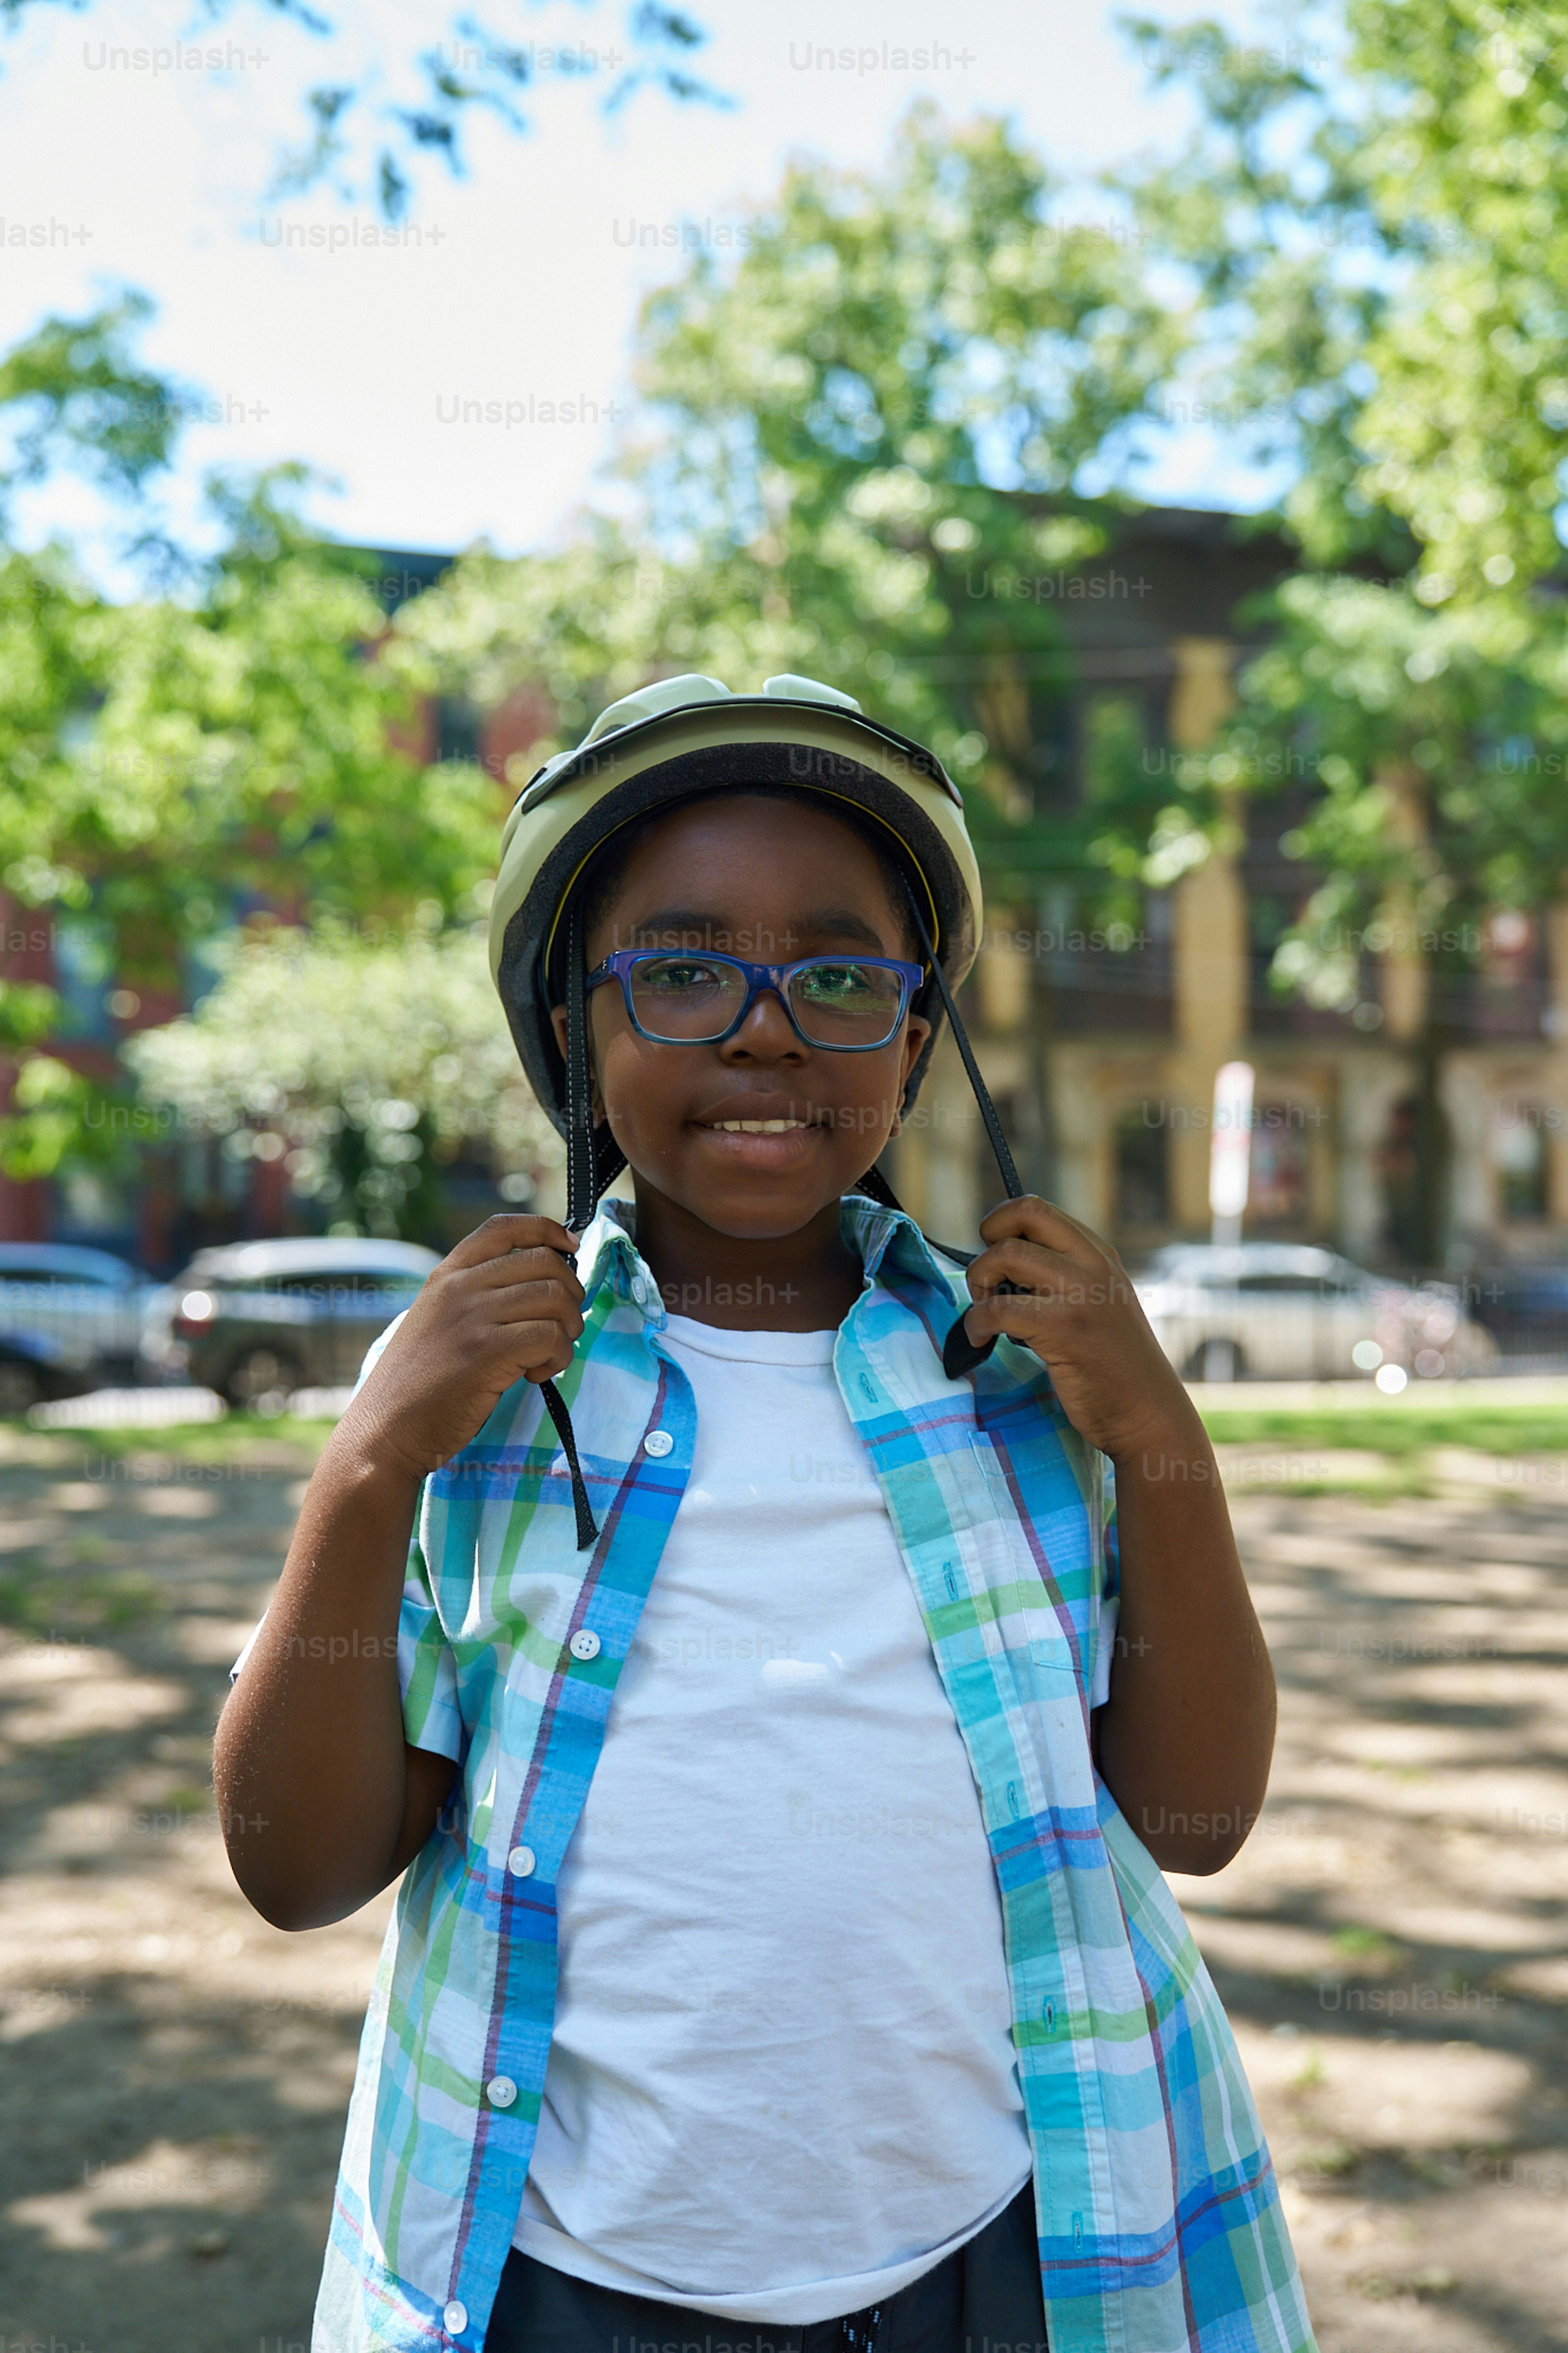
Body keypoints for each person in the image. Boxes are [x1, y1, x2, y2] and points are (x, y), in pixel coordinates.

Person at [216, 675, 1316, 2353]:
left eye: (839, 973)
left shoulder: (1017, 1383)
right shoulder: (483, 1392)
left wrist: (1162, 1435)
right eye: (679, 966)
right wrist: (370, 1464)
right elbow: (297, 1871)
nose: (762, 1025)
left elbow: (1192, 1822)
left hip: (996, 2272)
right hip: (574, 2291)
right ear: (576, 1031)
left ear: (917, 1035)